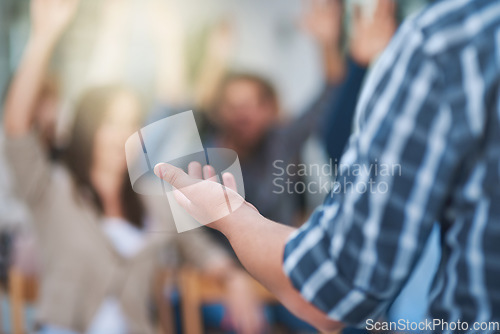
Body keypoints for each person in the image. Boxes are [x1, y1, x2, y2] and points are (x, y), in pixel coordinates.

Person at [153, 0, 500, 332]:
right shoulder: (201, 147)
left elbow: (327, 100)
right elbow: (183, 105)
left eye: (253, 103)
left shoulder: (281, 141)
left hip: (282, 273)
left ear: (272, 108)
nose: (243, 112)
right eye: (233, 104)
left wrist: (331, 49)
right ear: (219, 109)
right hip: (217, 280)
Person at [2, 1, 264, 333]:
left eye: (130, 124)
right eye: (109, 122)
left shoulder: (156, 200)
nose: (122, 134)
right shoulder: (52, 191)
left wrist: (233, 278)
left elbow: (203, 251)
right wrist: (43, 36)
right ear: (87, 128)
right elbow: (16, 132)